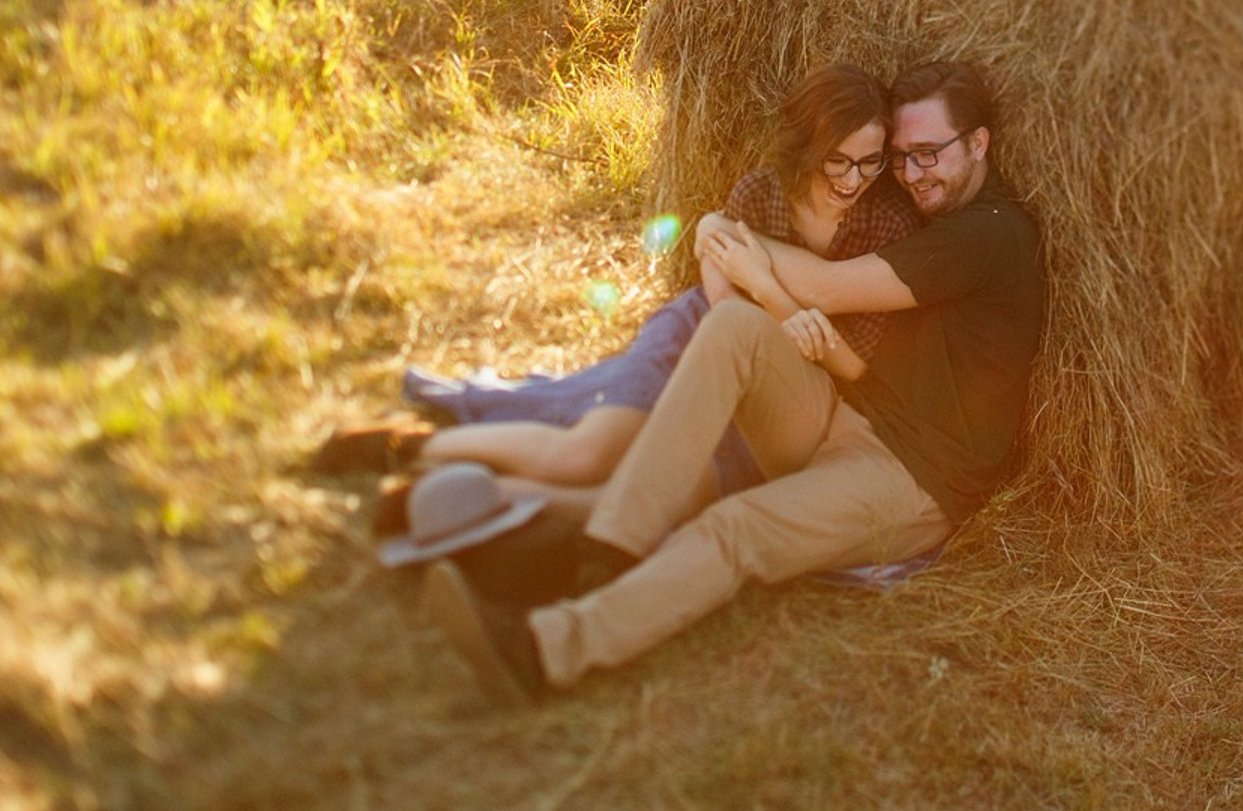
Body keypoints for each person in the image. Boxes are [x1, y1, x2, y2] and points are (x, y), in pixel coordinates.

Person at [424, 58, 1046, 706]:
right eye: (902, 157)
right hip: (844, 419)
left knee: (737, 525)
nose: (913, 174)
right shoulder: (940, 222)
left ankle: (546, 654)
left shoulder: (990, 236)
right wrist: (734, 248)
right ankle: (609, 552)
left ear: (979, 143)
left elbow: (829, 287)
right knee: (732, 329)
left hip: (913, 479)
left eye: (930, 154)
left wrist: (728, 236)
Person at [313, 63, 919, 515]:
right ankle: (414, 450)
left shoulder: (886, 221)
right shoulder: (761, 194)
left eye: (871, 163)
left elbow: (853, 362)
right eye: (839, 160)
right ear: (810, 145)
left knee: (636, 483)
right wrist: (749, 329)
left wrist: (770, 301)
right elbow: (718, 295)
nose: (854, 179)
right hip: (700, 337)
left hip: (779, 393)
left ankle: (458, 505)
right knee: (587, 456)